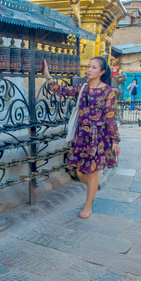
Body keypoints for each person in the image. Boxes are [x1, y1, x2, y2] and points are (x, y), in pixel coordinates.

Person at [43, 57, 120, 219]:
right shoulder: (83, 87)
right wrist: (48, 76)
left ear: (102, 71)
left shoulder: (107, 91)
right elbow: (61, 91)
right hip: (81, 136)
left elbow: (110, 116)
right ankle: (94, 186)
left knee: (92, 173)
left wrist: (115, 140)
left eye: (94, 67)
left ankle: (87, 205)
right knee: (79, 172)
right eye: (88, 67)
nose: (89, 70)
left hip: (98, 137)